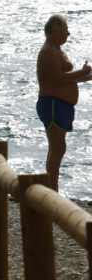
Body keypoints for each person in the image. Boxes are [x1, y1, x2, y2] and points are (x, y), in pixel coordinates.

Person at [36, 14, 92, 191]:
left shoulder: (57, 49)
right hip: (52, 104)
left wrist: (86, 76)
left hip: (61, 105)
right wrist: (81, 72)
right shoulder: (48, 51)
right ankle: (52, 189)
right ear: (53, 30)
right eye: (64, 30)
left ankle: (51, 186)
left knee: (58, 148)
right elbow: (57, 79)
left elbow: (66, 79)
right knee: (57, 147)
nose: (68, 33)